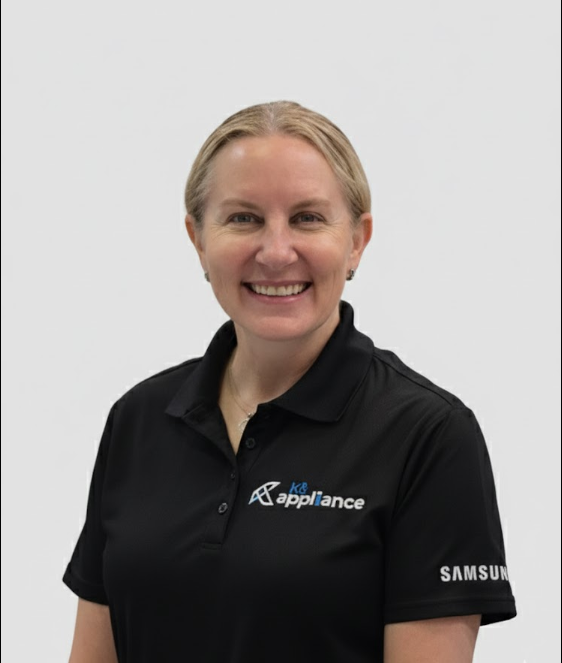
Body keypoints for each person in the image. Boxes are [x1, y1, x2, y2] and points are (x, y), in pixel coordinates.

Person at [63, 101, 516, 662]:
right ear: (198, 239)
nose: (276, 252)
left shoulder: (428, 436)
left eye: (307, 218)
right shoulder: (140, 419)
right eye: (243, 218)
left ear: (357, 241)